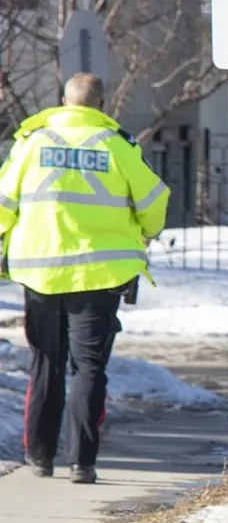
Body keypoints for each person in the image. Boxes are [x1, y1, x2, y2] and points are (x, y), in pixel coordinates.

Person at [0, 73, 170, 484]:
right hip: (99, 274)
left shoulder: (33, 144)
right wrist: (145, 230)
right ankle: (82, 462)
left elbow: (4, 201)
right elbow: (154, 201)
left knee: (46, 363)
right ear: (102, 104)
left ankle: (40, 456)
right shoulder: (116, 145)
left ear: (63, 100)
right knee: (89, 367)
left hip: (40, 273)